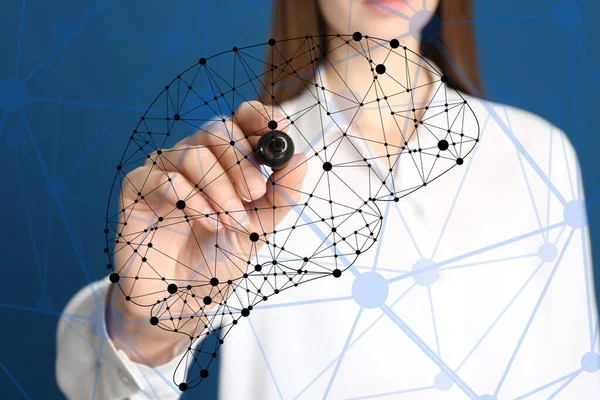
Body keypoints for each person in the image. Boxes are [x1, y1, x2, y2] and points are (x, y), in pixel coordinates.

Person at [56, 0, 600, 399]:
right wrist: (142, 322)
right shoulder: (233, 167)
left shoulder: (540, 152)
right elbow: (103, 388)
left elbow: (580, 377)